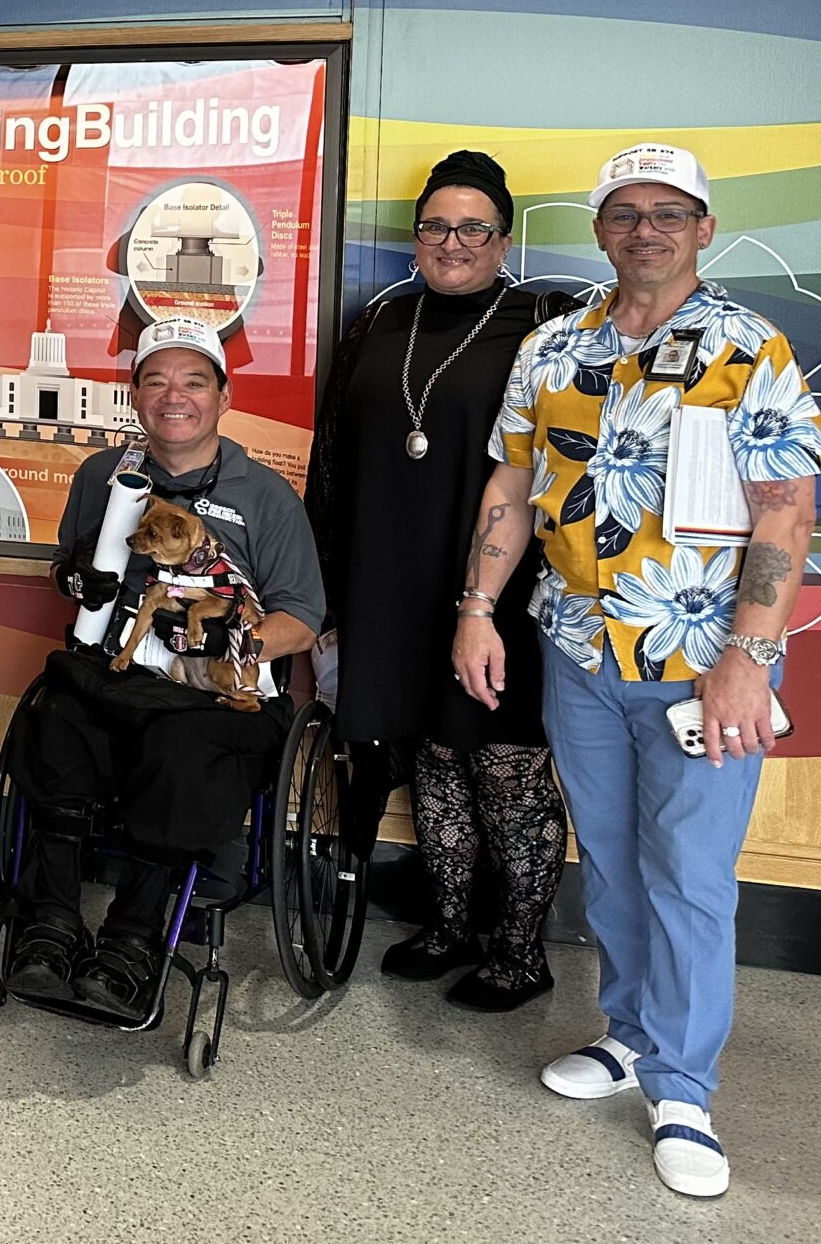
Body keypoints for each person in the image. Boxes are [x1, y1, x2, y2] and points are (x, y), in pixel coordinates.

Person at [458, 143, 821, 1200]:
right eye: (624, 212)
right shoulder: (553, 347)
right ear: (601, 229)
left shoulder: (748, 349)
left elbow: (784, 512)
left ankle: (681, 1089)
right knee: (614, 860)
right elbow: (513, 477)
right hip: (576, 648)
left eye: (669, 212)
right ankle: (628, 1036)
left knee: (691, 878)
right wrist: (476, 609)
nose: (645, 229)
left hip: (702, 661)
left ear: (703, 229)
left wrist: (747, 664)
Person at [306, 150, 576, 1009]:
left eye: (473, 228)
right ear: (415, 236)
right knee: (429, 753)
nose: (451, 241)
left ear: (502, 239)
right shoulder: (380, 324)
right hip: (388, 577)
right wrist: (329, 592)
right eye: (434, 226)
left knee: (504, 763)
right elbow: (332, 464)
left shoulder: (547, 324)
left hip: (498, 593)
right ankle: (451, 923)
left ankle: (521, 950)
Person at [10, 317, 326, 1019]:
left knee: (179, 748)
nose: (172, 396)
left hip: (219, 693)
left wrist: (230, 644)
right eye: (155, 380)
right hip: (121, 670)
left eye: (192, 382)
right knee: (58, 714)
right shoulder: (105, 476)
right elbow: (71, 563)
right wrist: (73, 583)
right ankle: (49, 925)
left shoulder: (265, 495)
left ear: (223, 395)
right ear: (134, 394)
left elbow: (301, 618)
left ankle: (131, 938)